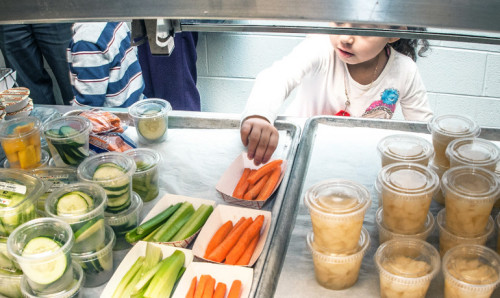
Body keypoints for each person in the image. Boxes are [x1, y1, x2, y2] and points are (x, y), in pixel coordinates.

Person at [240, 23, 433, 165]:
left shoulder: (405, 70)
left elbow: (423, 128)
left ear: (394, 34)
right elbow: (277, 77)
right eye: (339, 21)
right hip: (301, 154)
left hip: (357, 160)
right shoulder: (320, 47)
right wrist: (259, 115)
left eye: (362, 31)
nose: (345, 38)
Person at [67, 22, 145, 107]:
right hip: (137, 103)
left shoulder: (86, 42)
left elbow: (88, 105)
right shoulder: (112, 18)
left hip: (115, 115)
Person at [0, 23, 74, 105]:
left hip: (55, 13)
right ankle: (41, 117)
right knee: (28, 91)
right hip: (8, 17)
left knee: (71, 78)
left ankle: (83, 116)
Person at [136, 31, 201, 111]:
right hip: (145, 24)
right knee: (148, 101)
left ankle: (183, 122)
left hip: (169, 27)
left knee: (177, 100)